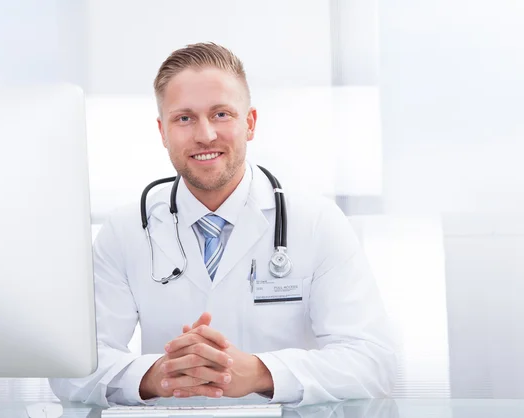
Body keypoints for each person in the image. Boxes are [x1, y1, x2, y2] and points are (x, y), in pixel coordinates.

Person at [49, 42, 397, 407]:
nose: (205, 135)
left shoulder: (317, 223)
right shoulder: (124, 231)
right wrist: (156, 377)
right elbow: (72, 370)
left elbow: (372, 361)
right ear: (162, 132)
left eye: (221, 115)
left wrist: (260, 372)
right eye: (184, 118)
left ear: (250, 123)